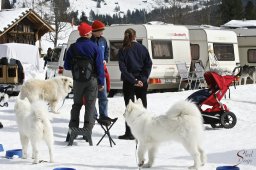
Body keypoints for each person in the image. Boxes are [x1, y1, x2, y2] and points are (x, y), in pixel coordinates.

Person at [64, 22, 104, 136]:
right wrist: (101, 82)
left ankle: (73, 129)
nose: (92, 32)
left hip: (77, 81)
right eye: (90, 31)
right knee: (90, 105)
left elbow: (67, 66)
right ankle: (87, 130)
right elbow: (100, 67)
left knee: (76, 105)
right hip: (92, 80)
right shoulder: (95, 47)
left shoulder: (73, 47)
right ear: (87, 34)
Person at [118, 28, 152, 140]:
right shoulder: (143, 48)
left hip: (129, 82)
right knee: (143, 107)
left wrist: (134, 80)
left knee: (129, 108)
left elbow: (123, 69)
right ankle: (145, 131)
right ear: (135, 36)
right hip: (142, 82)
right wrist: (142, 79)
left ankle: (130, 133)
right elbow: (148, 65)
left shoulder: (122, 50)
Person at [91, 20, 110, 121]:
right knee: (92, 97)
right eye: (100, 31)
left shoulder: (103, 40)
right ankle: (93, 116)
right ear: (95, 31)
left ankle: (104, 116)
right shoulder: (89, 40)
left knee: (103, 96)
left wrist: (105, 59)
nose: (102, 33)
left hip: (101, 72)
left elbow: (107, 51)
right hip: (92, 73)